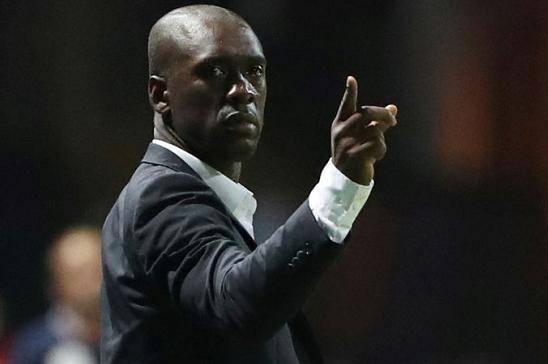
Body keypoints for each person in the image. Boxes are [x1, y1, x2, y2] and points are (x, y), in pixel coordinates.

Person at [101, 5, 397, 363]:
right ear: (160, 95)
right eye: (215, 71)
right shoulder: (160, 195)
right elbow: (237, 304)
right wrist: (339, 183)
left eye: (254, 71)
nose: (243, 91)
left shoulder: (199, 196)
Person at [11, 227, 102, 364]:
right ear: (54, 286)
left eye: (96, 270)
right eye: (78, 275)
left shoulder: (137, 330)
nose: (90, 282)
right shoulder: (36, 346)